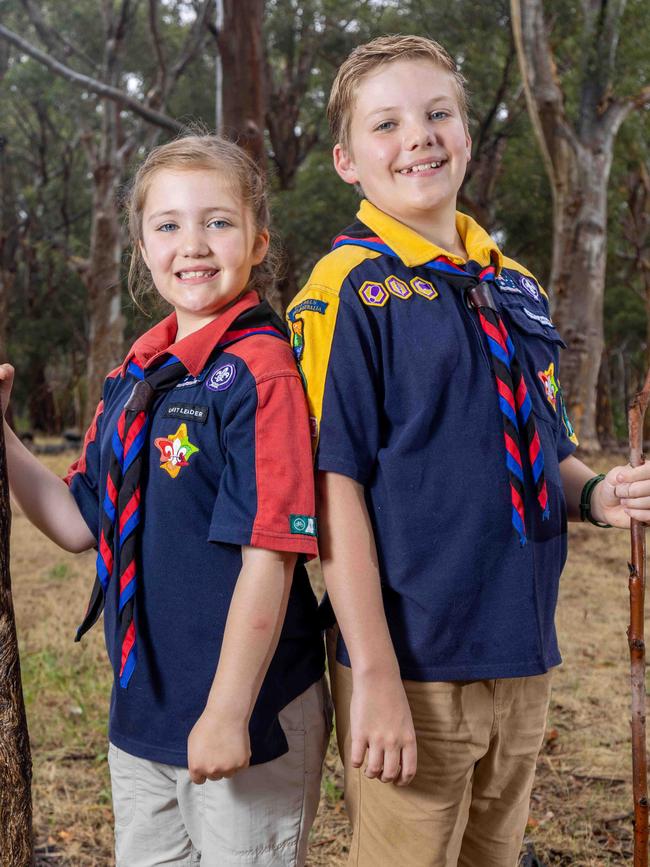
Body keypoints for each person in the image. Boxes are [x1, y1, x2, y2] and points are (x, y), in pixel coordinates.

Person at [286, 34, 650, 867]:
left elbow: (539, 441)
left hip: (521, 650)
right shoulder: (351, 291)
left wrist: (597, 493)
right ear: (347, 160)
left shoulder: (512, 282)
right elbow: (332, 484)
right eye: (387, 124)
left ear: (466, 135)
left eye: (437, 113)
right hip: (412, 662)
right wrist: (373, 670)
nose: (417, 136)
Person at [1, 134, 330, 867]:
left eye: (218, 221)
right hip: (144, 710)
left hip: (248, 706)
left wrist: (226, 711)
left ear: (257, 241)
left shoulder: (260, 373)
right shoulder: (137, 375)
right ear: (143, 243)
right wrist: (6, 437)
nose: (194, 244)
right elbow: (79, 522)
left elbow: (271, 557)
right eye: (169, 224)